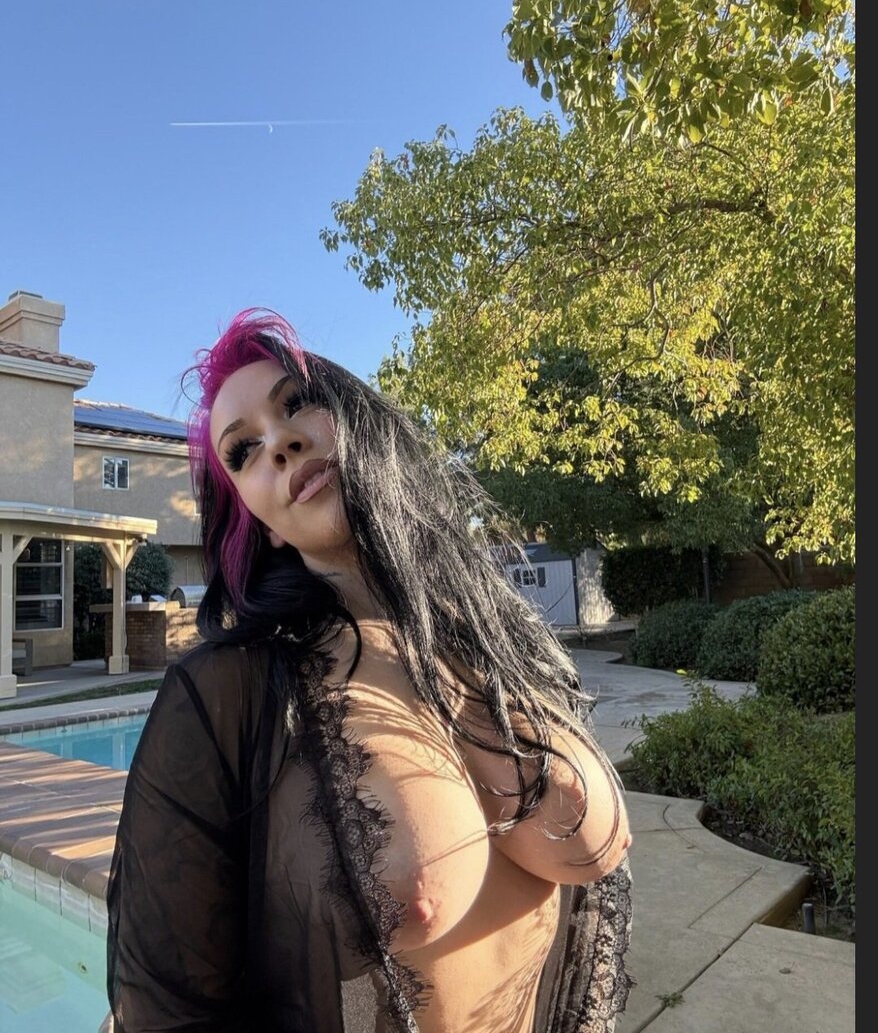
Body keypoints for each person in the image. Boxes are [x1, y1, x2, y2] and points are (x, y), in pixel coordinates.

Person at [105, 308, 634, 1033]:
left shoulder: (506, 635)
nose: (279, 443)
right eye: (244, 450)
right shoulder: (229, 694)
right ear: (258, 522)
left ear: (356, 416)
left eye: (296, 403)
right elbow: (167, 1011)